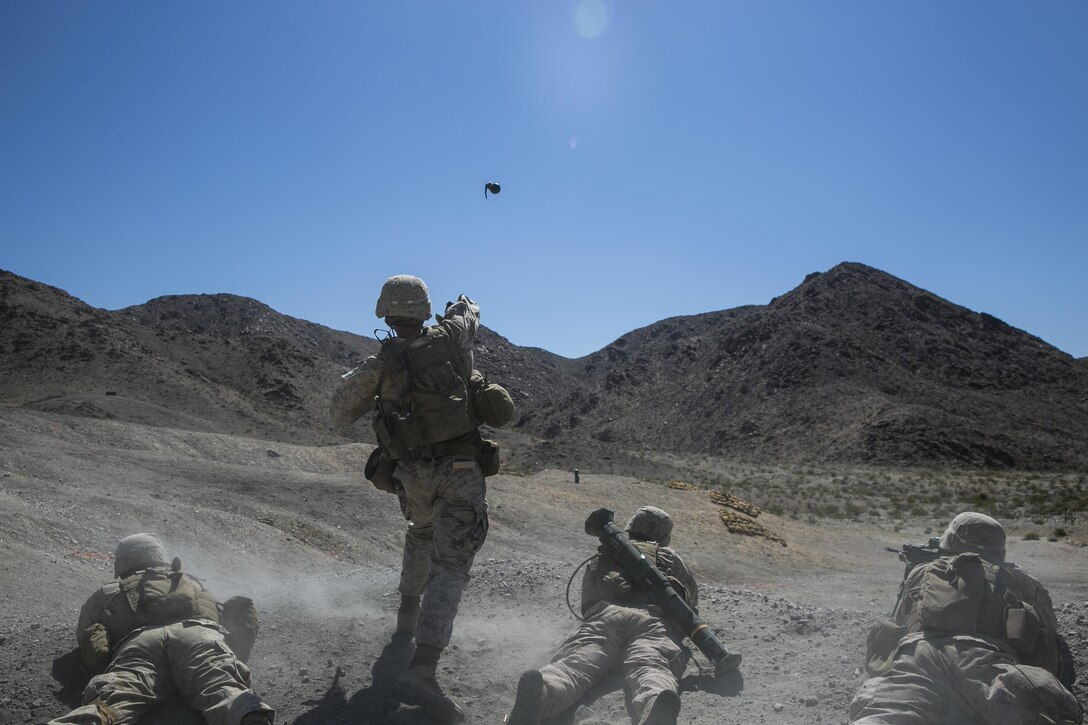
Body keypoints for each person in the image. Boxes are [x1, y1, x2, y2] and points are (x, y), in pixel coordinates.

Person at [330, 274, 488, 722]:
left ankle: (405, 621)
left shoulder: (381, 362)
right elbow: (469, 312)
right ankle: (422, 669)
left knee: (420, 532)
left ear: (385, 312)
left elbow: (338, 413)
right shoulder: (453, 335)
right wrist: (463, 307)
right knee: (452, 564)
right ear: (424, 308)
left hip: (413, 475)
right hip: (461, 471)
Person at [507, 506, 737, 725]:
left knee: (574, 665)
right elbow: (688, 604)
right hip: (652, 621)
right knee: (651, 666)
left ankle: (544, 691)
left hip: (605, 616)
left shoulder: (603, 554)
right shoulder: (669, 556)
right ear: (663, 534)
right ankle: (655, 701)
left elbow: (587, 605)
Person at [849, 512, 1083, 725]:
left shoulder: (922, 570)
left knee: (881, 717)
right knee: (1054, 712)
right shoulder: (1018, 577)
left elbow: (901, 624)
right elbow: (1050, 632)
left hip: (916, 657)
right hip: (983, 663)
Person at [48, 533, 273, 725]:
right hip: (198, 634)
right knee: (218, 681)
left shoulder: (108, 590)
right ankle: (247, 713)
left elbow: (88, 635)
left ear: (123, 561)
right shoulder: (193, 582)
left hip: (139, 643)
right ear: (159, 555)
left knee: (118, 692)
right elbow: (228, 616)